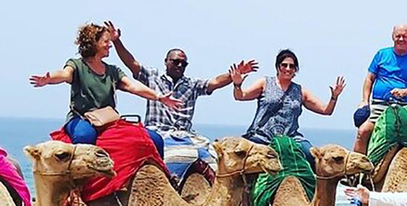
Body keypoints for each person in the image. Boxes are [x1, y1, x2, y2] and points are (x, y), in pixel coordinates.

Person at [29, 22, 182, 157]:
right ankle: (80, 186)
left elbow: (132, 85)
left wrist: (158, 97)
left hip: (108, 120)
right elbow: (64, 74)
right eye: (106, 41)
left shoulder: (112, 70)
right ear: (94, 43)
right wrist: (49, 79)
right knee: (85, 137)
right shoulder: (77, 65)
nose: (110, 45)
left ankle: (164, 178)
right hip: (82, 118)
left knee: (155, 139)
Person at [106, 20, 253, 141]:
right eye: (176, 62)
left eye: (184, 63)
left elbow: (215, 82)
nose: (180, 65)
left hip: (184, 136)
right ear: (166, 61)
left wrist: (234, 75)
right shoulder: (152, 77)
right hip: (157, 133)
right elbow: (131, 62)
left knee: (212, 160)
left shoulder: (192, 85)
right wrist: (116, 41)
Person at [231, 49, 344, 167]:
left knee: (313, 157)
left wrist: (334, 97)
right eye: (284, 65)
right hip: (262, 137)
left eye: (292, 66)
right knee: (241, 158)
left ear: (295, 70)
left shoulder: (300, 91)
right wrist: (237, 85)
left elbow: (326, 110)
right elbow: (240, 96)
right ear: (278, 67)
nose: (288, 69)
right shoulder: (264, 83)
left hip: (291, 138)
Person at [353, 24, 407, 158]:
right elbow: (369, 79)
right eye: (398, 36)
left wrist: (403, 92)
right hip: (380, 105)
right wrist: (365, 101)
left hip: (405, 105)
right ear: (392, 36)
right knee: (363, 131)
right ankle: (356, 172)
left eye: (404, 36)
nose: (401, 39)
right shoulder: (381, 54)